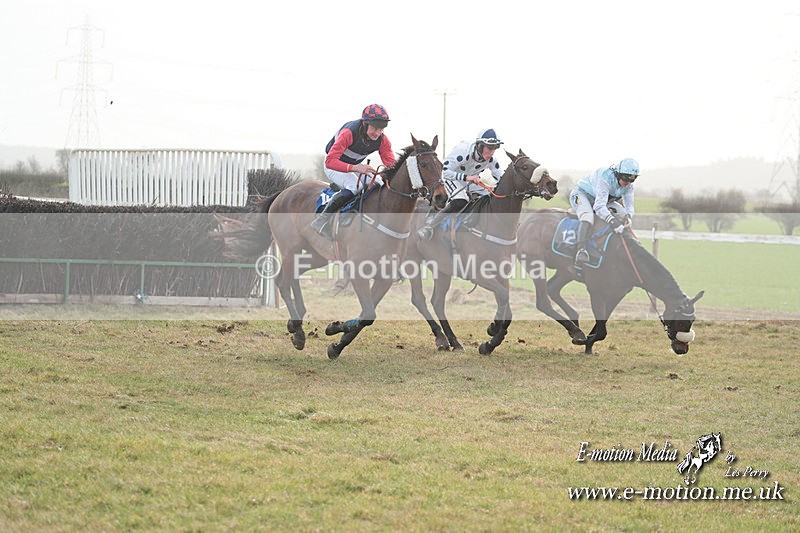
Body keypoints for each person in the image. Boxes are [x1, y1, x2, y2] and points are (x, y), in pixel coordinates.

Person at [311, 103, 397, 239]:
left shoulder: (383, 140)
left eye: (381, 129)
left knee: (378, 184)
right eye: (374, 128)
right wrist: (357, 168)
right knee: (354, 186)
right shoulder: (348, 133)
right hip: (333, 166)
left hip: (354, 166)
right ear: (365, 124)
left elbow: (391, 165)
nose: (378, 133)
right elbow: (330, 161)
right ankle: (321, 220)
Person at [417, 128, 504, 242]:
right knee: (460, 200)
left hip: (470, 181)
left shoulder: (492, 160)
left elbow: (500, 178)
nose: (492, 152)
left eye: (495, 148)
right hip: (451, 178)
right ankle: (428, 228)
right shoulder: (463, 151)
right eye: (489, 148)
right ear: (479, 146)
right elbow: (445, 171)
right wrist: (467, 178)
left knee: (489, 195)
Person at [569, 158, 639, 263]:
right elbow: (599, 207)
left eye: (632, 180)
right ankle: (581, 251)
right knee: (588, 216)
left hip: (602, 199)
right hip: (582, 194)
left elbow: (629, 207)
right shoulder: (605, 178)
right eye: (626, 179)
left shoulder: (629, 186)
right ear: (619, 174)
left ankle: (633, 244)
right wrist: (613, 222)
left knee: (623, 215)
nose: (628, 183)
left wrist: (628, 217)